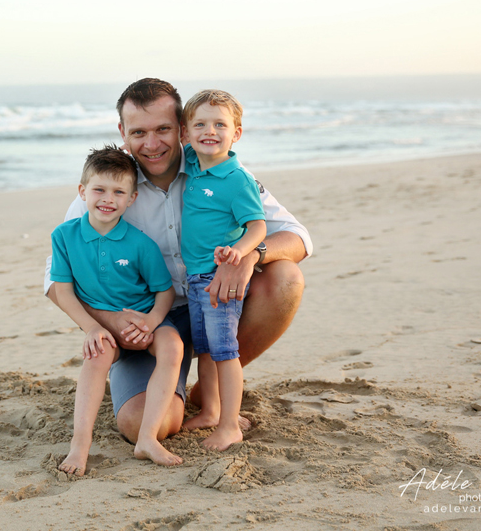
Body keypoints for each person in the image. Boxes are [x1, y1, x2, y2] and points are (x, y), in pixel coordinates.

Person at [44, 78, 312, 446]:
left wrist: (250, 255)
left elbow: (297, 236)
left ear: (182, 129)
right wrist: (109, 321)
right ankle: (171, 394)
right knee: (144, 425)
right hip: (147, 325)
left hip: (214, 300)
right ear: (122, 132)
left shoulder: (220, 169)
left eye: (163, 130)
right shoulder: (110, 188)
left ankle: (210, 390)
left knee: (286, 278)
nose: (152, 144)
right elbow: (54, 279)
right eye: (139, 132)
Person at [49, 145, 185, 475]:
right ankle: (79, 446)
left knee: (173, 346)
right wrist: (92, 328)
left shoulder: (141, 243)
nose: (108, 199)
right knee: (96, 356)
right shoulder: (64, 236)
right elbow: (62, 291)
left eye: (118, 192)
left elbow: (164, 292)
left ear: (131, 199)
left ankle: (147, 439)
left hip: (144, 318)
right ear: (82, 191)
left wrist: (151, 322)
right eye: (99, 190)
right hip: (103, 325)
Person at [178, 89, 265, 450]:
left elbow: (257, 226)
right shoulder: (192, 162)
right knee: (206, 350)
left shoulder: (237, 179)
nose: (209, 131)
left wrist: (239, 252)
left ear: (236, 133)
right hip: (194, 279)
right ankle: (211, 411)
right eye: (199, 124)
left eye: (219, 124)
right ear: (186, 133)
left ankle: (230, 425)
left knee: (225, 352)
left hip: (218, 279)